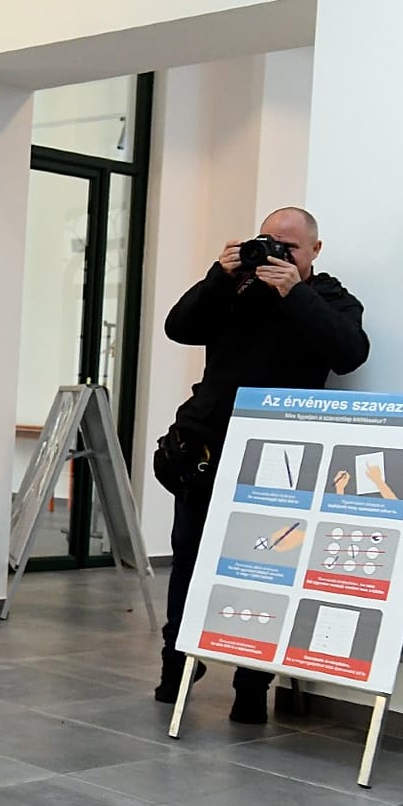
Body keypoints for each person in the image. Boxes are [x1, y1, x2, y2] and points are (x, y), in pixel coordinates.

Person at [155, 206, 369, 723]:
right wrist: (220, 275)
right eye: (267, 241)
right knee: (188, 563)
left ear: (314, 252)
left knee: (265, 574)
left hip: (280, 462)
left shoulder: (330, 299)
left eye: (289, 248)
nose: (275, 253)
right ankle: (177, 665)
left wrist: (293, 291)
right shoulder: (236, 290)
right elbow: (178, 328)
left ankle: (251, 685)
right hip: (208, 451)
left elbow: (349, 353)